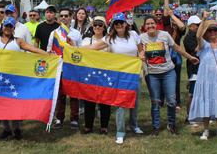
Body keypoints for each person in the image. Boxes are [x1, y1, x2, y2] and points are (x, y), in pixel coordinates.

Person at [81, 13, 145, 144]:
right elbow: (93, 47)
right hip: (119, 76)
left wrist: (142, 55)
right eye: (116, 23)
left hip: (134, 73)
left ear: (126, 23)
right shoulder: (109, 38)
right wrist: (74, 48)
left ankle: (133, 125)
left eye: (121, 22)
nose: (119, 25)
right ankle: (120, 132)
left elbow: (141, 49)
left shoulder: (134, 35)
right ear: (113, 25)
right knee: (121, 104)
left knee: (135, 103)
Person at [141, 14, 199, 136]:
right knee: (155, 101)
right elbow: (137, 52)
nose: (150, 26)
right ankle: (155, 126)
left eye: (152, 23)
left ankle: (171, 124)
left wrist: (190, 57)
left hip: (168, 72)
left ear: (156, 24)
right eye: (148, 24)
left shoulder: (164, 35)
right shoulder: (142, 38)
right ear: (145, 26)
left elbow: (176, 48)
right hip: (152, 75)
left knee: (172, 100)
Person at [188, 12, 217, 140]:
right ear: (206, 33)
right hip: (206, 81)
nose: (213, 32)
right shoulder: (204, 46)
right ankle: (206, 130)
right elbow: (198, 35)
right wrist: (203, 19)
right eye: (210, 30)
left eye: (215, 30)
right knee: (206, 103)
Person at [47, 8, 83, 130]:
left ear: (70, 17)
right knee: (60, 96)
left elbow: (81, 51)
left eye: (66, 15)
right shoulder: (54, 33)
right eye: (61, 16)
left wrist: (72, 45)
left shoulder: (76, 34)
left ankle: (74, 119)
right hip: (59, 67)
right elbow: (49, 50)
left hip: (72, 67)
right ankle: (59, 118)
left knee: (73, 95)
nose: (63, 17)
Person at [80, 16, 111, 135]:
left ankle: (104, 126)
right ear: (92, 26)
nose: (97, 27)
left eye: (100, 25)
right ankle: (88, 126)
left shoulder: (109, 41)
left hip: (104, 74)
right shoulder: (86, 41)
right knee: (89, 101)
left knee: (104, 102)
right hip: (89, 74)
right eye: (95, 25)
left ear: (104, 27)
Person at [184, 15, 202, 126]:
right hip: (194, 68)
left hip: (201, 67)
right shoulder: (189, 38)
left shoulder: (198, 35)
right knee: (193, 93)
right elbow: (196, 50)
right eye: (197, 25)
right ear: (190, 26)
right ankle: (189, 117)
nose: (199, 27)